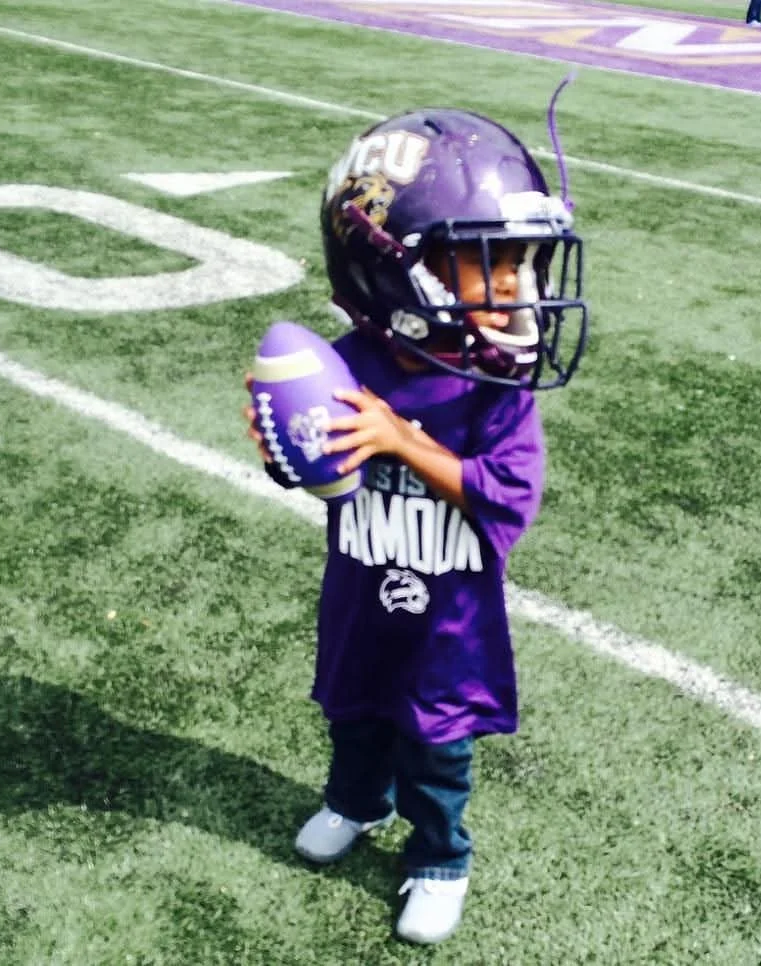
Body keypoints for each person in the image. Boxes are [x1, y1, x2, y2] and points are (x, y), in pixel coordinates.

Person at [244, 107, 588, 944]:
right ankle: (356, 805)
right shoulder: (344, 364)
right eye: (488, 263)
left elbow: (509, 496)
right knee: (354, 713)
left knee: (437, 753)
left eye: (522, 262)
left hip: (451, 624)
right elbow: (324, 476)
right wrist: (283, 450)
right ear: (399, 271)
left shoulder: (493, 384)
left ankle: (440, 858)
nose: (518, 285)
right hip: (363, 594)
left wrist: (404, 438)